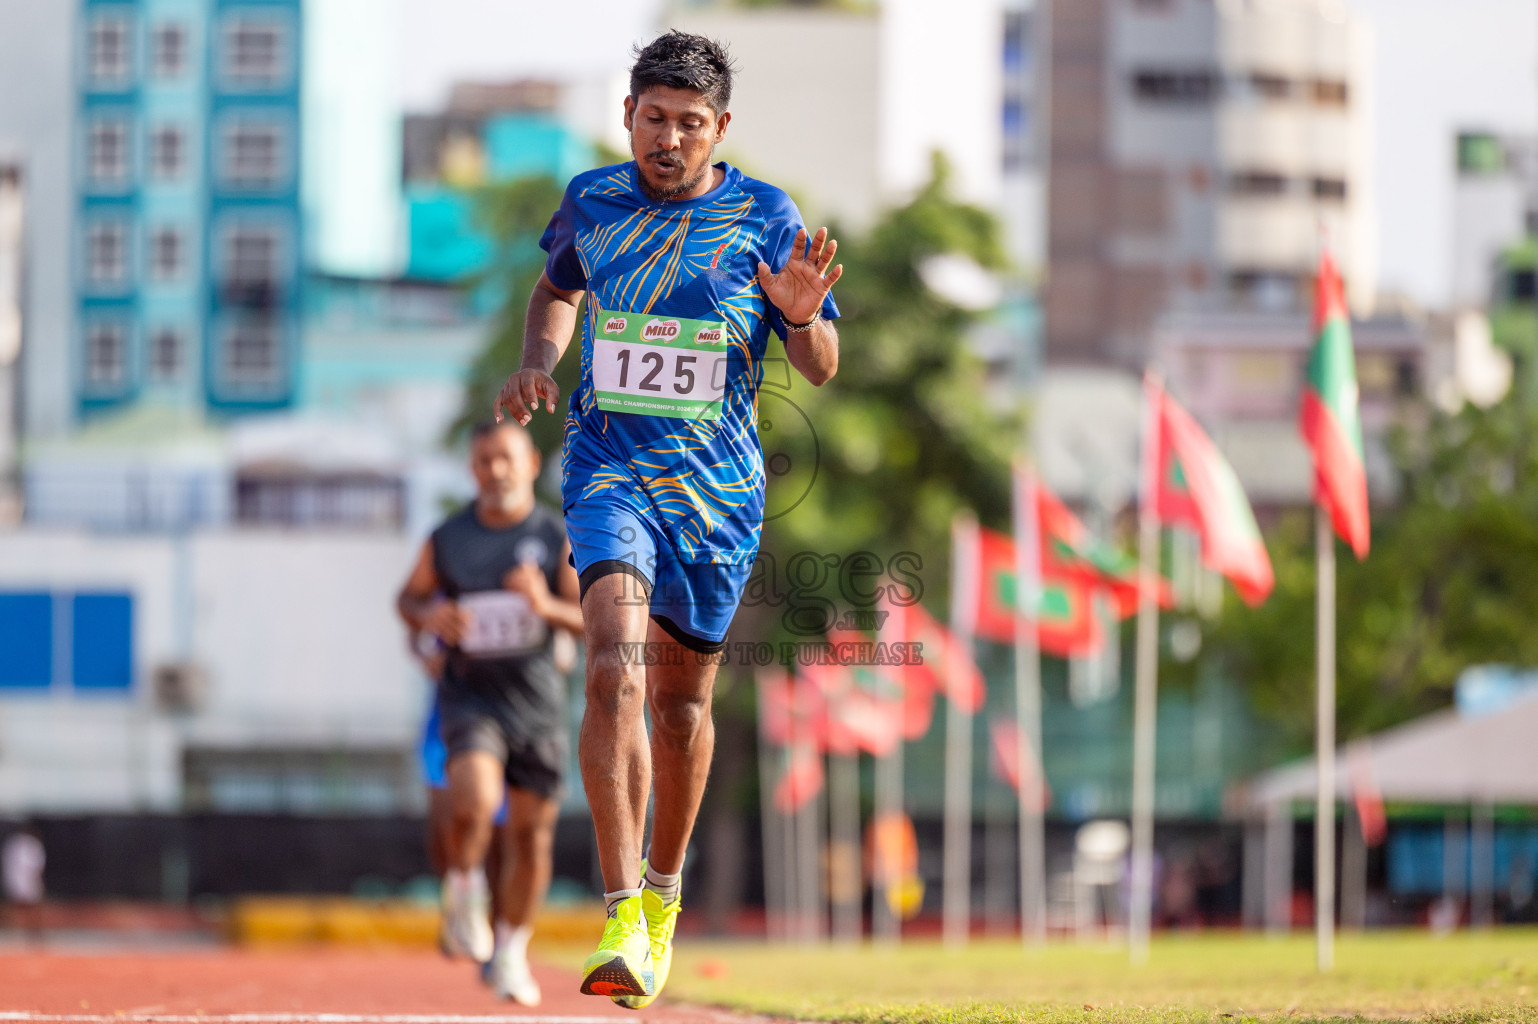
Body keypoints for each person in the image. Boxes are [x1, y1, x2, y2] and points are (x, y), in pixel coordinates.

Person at [494, 30, 842, 1007]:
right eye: (653, 118)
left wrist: (804, 314)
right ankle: (616, 908)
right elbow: (553, 291)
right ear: (628, 117)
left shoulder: (764, 217)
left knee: (681, 705)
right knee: (610, 658)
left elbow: (817, 368)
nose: (669, 137)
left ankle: (660, 896)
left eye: (690, 123)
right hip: (610, 473)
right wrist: (537, 359)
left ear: (718, 128)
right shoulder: (592, 202)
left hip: (717, 499)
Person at [396, 421, 583, 1005]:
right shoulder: (448, 537)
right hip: (469, 696)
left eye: (505, 459)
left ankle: (510, 953)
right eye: (483, 461)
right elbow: (408, 597)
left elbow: (591, 619)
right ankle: (463, 890)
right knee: (473, 801)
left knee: (531, 837)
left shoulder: (558, 536)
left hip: (535, 703)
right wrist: (428, 618)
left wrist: (543, 604)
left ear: (530, 463)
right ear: (473, 469)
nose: (494, 471)